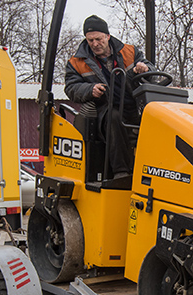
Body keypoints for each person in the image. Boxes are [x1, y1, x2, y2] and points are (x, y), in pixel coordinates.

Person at [64, 15, 153, 180]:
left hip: (133, 105)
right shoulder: (77, 62)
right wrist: (89, 89)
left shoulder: (130, 52)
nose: (95, 44)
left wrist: (144, 68)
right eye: (90, 40)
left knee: (155, 119)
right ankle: (122, 172)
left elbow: (152, 70)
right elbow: (71, 87)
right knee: (114, 118)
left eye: (98, 39)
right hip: (103, 111)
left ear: (108, 36)